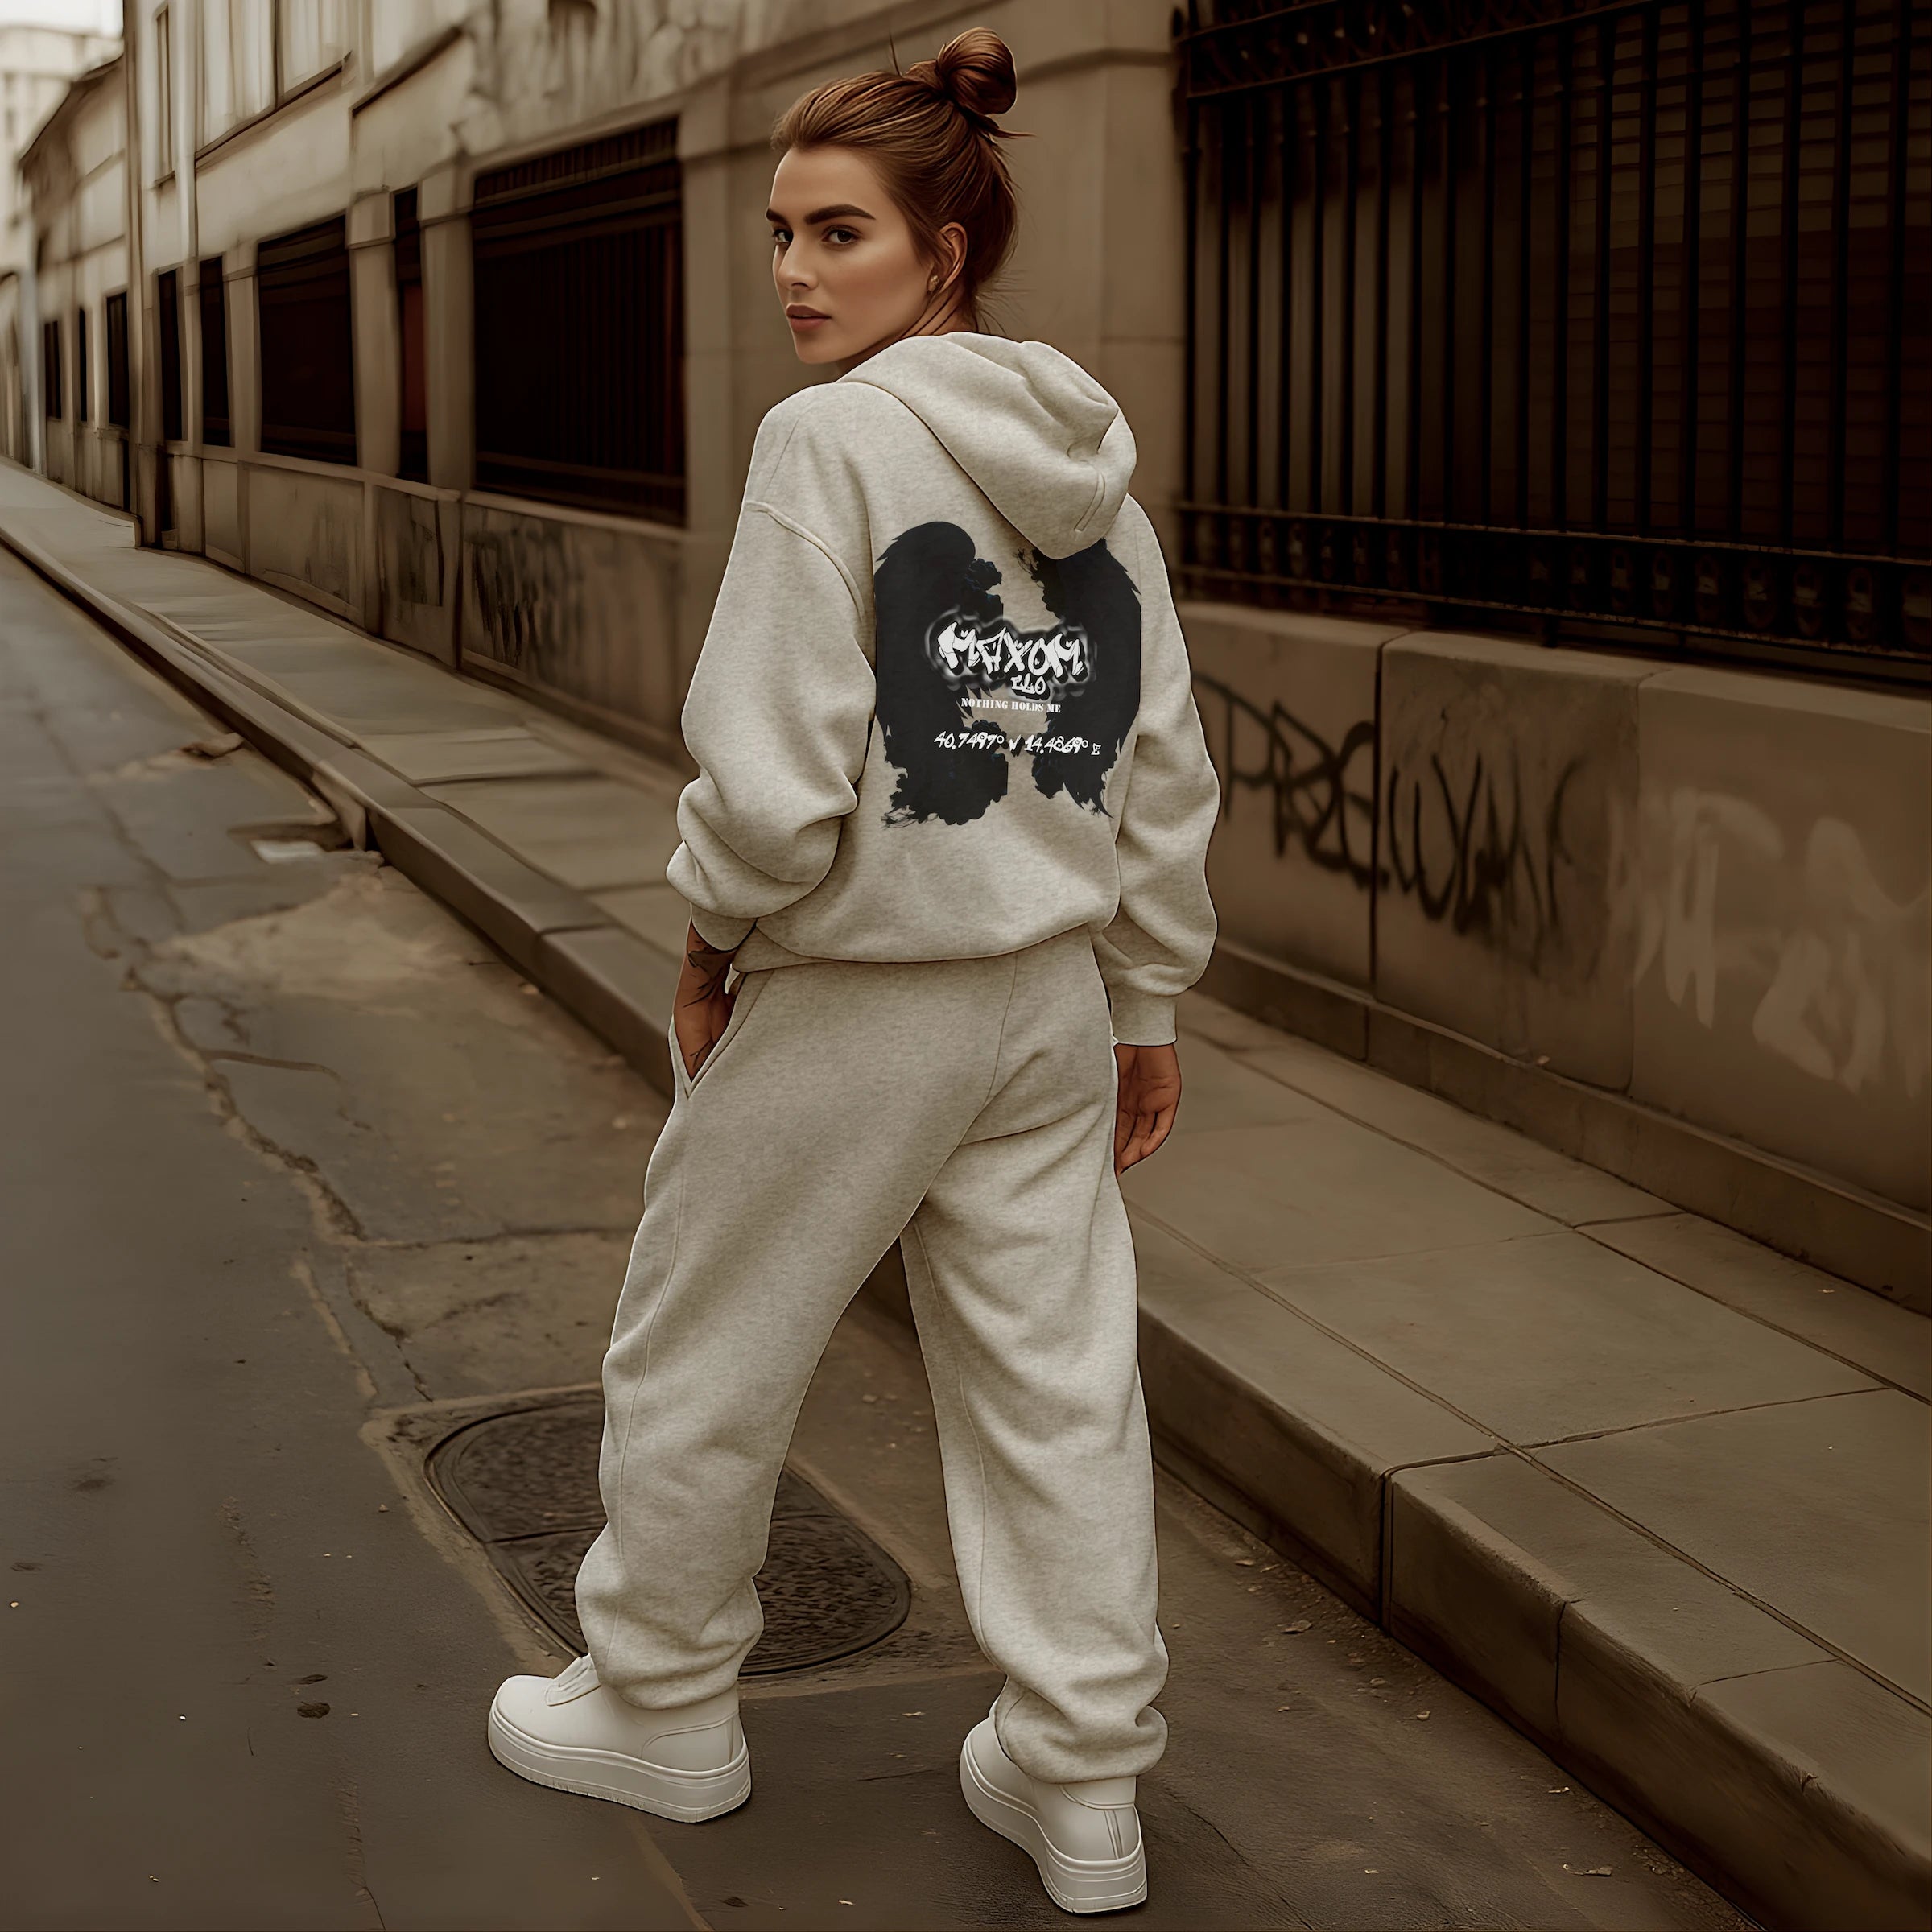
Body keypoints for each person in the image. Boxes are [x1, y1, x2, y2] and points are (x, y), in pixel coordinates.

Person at [487, 27, 1220, 1918]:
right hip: (1046, 1000)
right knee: (1056, 1388)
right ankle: (1082, 1785)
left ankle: (658, 1699)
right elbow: (1158, 764)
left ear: (942, 255)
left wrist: (712, 935)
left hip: (866, 992)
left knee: (702, 1344)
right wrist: (1144, 1003)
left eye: (840, 235)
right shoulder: (1101, 492)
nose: (799, 274)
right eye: (783, 234)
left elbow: (777, 773)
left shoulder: (829, 443)